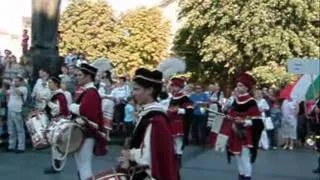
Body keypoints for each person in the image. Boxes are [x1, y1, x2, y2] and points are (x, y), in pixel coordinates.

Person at [120, 68, 179, 180]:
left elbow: (150, 156)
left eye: (137, 89)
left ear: (149, 90)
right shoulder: (147, 114)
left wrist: (130, 154)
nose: (133, 93)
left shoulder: (156, 119)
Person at [69, 63, 107, 180]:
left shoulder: (91, 92)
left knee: (84, 166)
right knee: (81, 165)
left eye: (80, 75)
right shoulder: (88, 91)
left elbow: (86, 113)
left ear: (88, 76)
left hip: (87, 133)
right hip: (84, 132)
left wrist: (72, 107)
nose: (77, 77)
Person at [227, 73, 263, 180]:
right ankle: (241, 176)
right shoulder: (236, 100)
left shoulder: (251, 101)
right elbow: (232, 114)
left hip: (245, 133)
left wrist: (244, 121)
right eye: (238, 85)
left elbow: (257, 120)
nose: (239, 88)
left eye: (241, 86)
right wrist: (230, 118)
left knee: (245, 158)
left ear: (247, 88)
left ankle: (247, 177)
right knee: (238, 157)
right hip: (235, 132)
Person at [43, 76, 71, 174]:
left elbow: (59, 109)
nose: (48, 84)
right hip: (57, 120)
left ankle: (56, 165)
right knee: (55, 143)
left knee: (56, 143)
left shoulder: (59, 95)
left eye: (50, 82)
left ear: (55, 84)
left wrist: (48, 103)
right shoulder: (56, 94)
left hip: (59, 121)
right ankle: (55, 164)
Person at [168, 77, 193, 167]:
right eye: (172, 86)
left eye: (174, 86)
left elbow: (189, 110)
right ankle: (174, 158)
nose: (173, 88)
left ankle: (178, 159)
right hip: (172, 122)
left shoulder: (185, 97)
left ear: (179, 87)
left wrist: (178, 110)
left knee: (178, 141)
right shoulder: (173, 97)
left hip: (180, 122)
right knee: (173, 141)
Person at [6, 76, 28, 153]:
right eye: (14, 81)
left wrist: (11, 85)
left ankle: (21, 147)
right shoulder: (12, 88)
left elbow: (18, 93)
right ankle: (11, 145)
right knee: (11, 129)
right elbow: (7, 93)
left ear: (21, 82)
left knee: (19, 129)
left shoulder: (24, 88)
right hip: (10, 109)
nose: (15, 82)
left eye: (17, 81)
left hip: (18, 110)